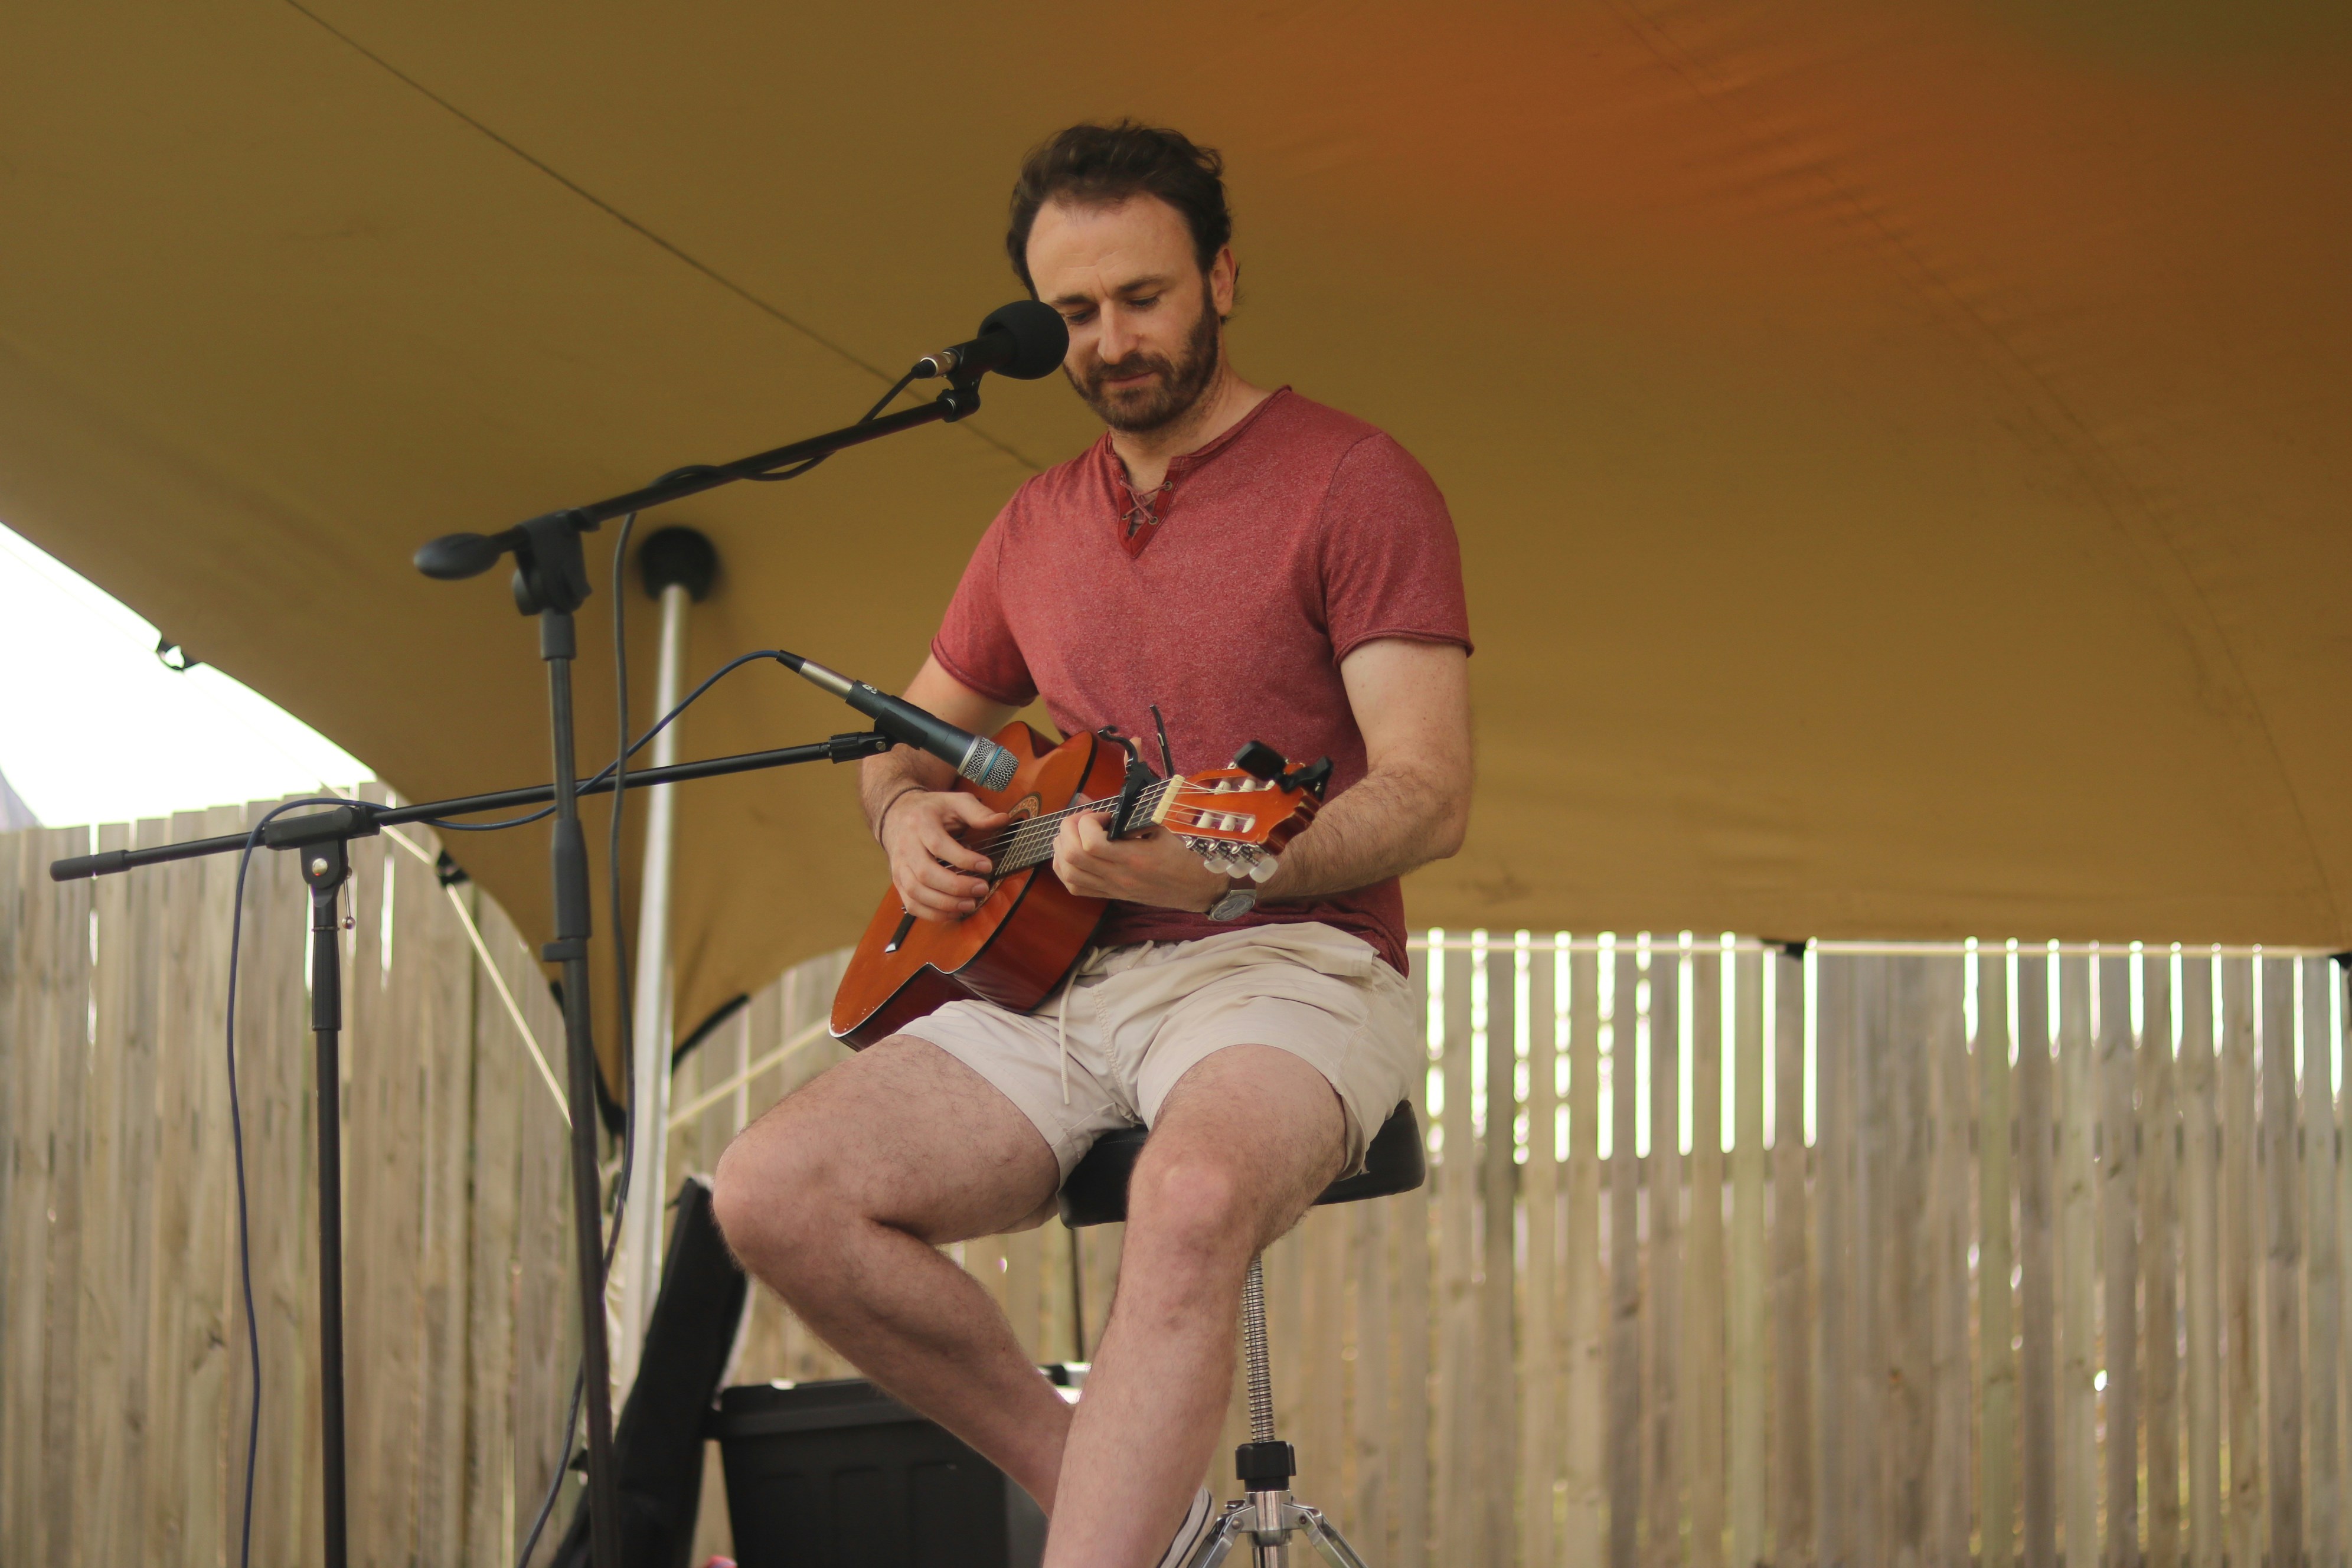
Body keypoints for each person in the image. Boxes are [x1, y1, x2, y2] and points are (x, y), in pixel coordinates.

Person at [713, 121, 1473, 1568]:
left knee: (1190, 1195)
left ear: (1222, 279)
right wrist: (906, 815)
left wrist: (1239, 864)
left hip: (1290, 965)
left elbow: (1431, 793)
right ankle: (1114, 1492)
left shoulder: (1354, 481)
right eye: (1073, 312)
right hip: (1057, 980)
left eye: (1141, 297)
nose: (1110, 341)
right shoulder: (1033, 524)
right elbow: (903, 741)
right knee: (770, 1192)